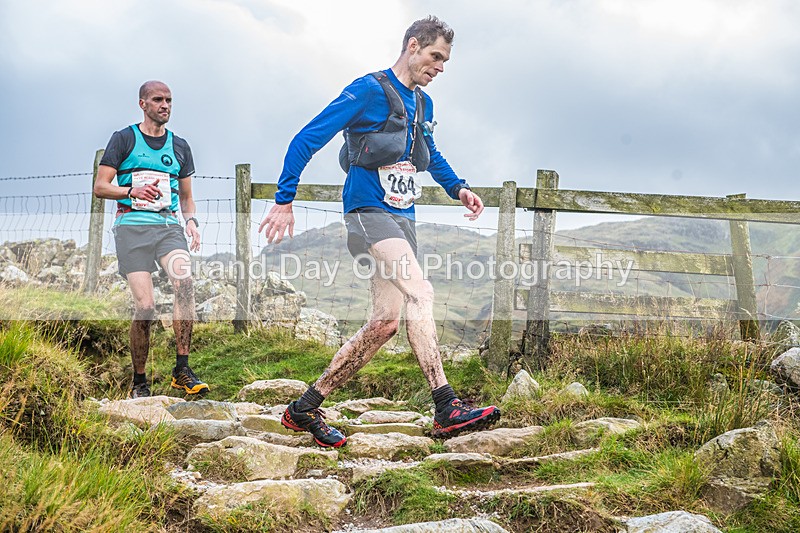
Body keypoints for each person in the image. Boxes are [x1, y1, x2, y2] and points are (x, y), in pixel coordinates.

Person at [259, 16, 500, 447]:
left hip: (402, 216)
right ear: (413, 46)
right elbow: (306, 137)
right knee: (420, 293)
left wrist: (458, 188)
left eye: (445, 61)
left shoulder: (423, 103)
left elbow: (430, 152)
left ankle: (304, 408)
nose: (440, 67)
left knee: (385, 322)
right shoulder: (368, 90)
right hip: (367, 210)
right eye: (435, 57)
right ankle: (446, 406)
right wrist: (284, 197)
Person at [94, 80, 208, 399]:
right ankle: (139, 382)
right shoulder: (124, 139)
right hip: (131, 229)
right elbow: (101, 186)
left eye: (169, 100)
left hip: (168, 228)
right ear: (143, 104)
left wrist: (193, 223)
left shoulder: (180, 146)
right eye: (158, 99)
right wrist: (131, 191)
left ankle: (182, 370)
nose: (165, 105)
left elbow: (186, 198)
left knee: (184, 284)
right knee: (146, 306)